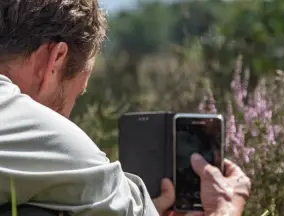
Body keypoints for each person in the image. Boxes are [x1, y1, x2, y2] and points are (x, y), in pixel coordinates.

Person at [0, 0, 251, 215]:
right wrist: (225, 208)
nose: (68, 115)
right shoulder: (48, 142)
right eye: (77, 93)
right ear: (56, 58)